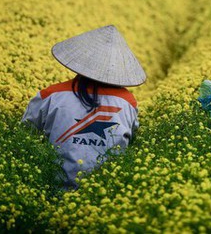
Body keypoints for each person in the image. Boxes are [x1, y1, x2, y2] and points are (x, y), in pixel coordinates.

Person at [21, 25, 146, 188]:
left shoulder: (51, 95)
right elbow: (131, 139)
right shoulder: (127, 102)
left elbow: (25, 134)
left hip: (50, 187)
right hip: (107, 192)